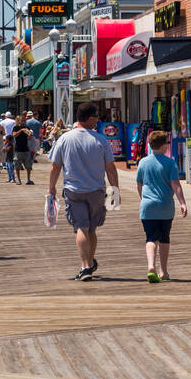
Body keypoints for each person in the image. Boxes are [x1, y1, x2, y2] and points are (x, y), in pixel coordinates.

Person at [48, 102, 120, 281]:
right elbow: (110, 168)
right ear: (89, 118)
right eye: (96, 116)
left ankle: (85, 266)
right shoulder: (100, 140)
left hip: (74, 190)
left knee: (81, 227)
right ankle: (88, 262)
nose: (97, 120)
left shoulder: (65, 138)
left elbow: (55, 166)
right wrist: (115, 191)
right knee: (92, 229)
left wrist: (51, 188)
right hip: (96, 190)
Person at [136, 130, 187, 283]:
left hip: (148, 206)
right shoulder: (170, 162)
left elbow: (139, 184)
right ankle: (163, 272)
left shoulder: (143, 162)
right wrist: (182, 203)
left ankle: (151, 266)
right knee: (164, 238)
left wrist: (143, 198)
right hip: (165, 206)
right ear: (164, 145)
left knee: (151, 238)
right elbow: (176, 185)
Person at [12, 119, 35, 184]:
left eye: (24, 121)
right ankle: (19, 180)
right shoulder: (16, 127)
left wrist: (29, 134)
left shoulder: (27, 128)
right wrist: (21, 130)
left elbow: (30, 138)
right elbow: (14, 135)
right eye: (22, 121)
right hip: (18, 149)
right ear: (19, 121)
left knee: (28, 166)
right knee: (17, 166)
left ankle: (28, 179)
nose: (23, 122)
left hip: (26, 149)